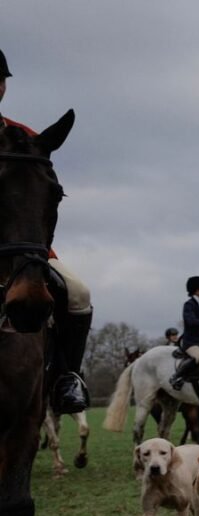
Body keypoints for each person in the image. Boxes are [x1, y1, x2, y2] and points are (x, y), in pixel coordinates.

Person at [1, 48, 93, 413]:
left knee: (78, 292)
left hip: (23, 248)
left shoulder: (25, 136)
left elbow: (39, 197)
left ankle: (66, 377)